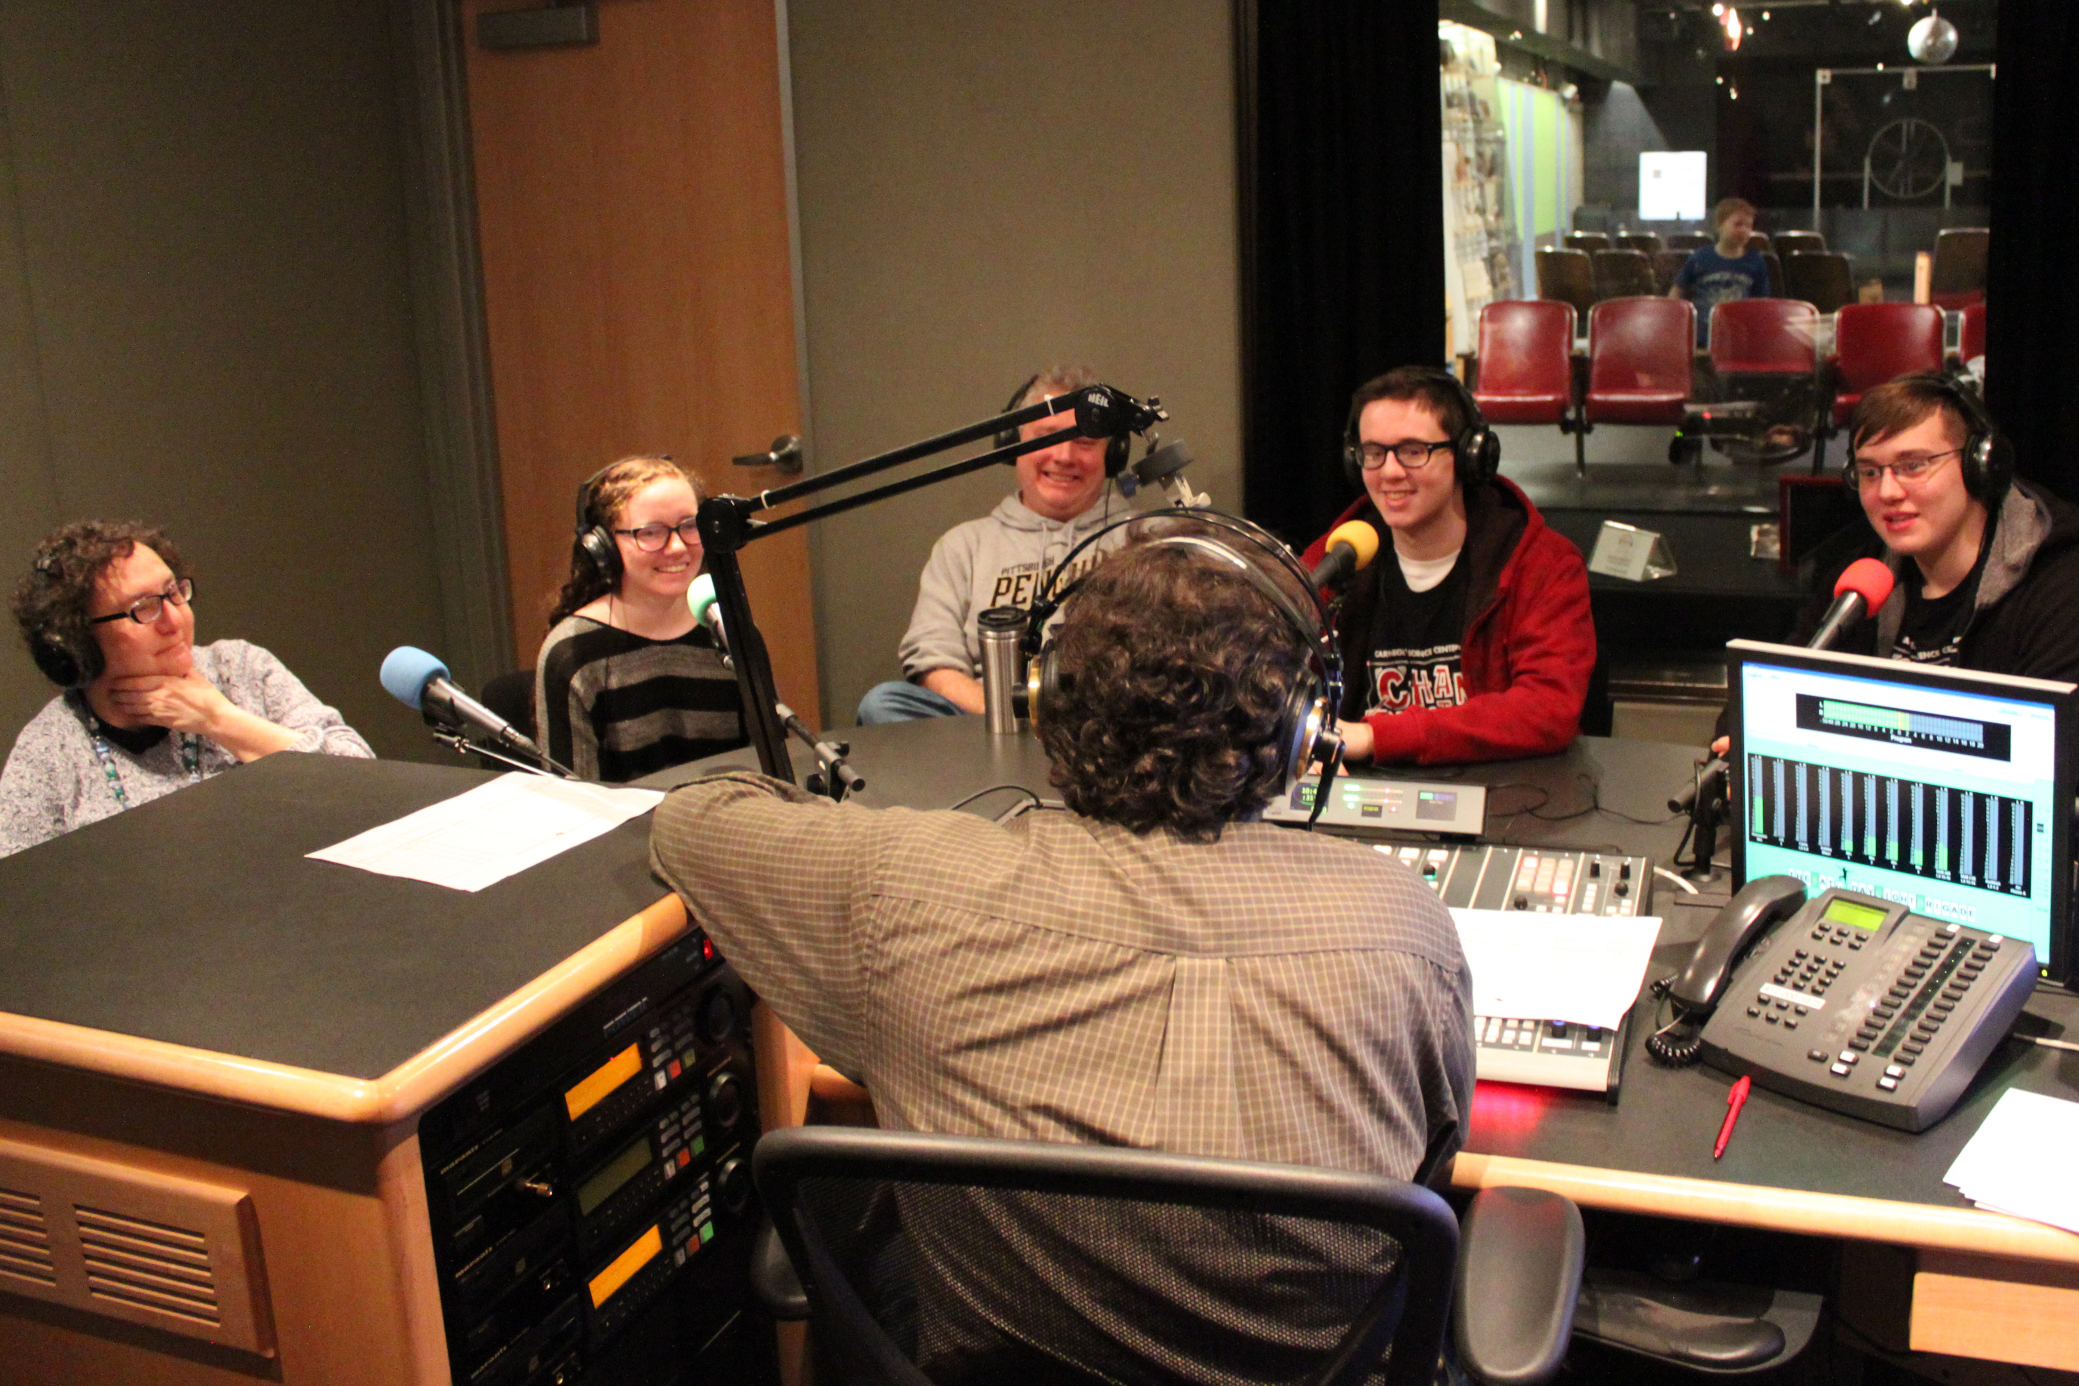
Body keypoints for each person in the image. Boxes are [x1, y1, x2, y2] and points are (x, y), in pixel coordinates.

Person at [652, 526, 1473, 1381]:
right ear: (1304, 732)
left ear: (1041, 703)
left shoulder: (900, 886)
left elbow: (693, 817)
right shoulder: (1405, 930)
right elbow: (1434, 1163)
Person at [1, 520, 373, 857]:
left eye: (174, 593)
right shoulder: (52, 748)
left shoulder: (240, 669)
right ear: (79, 638)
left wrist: (221, 720)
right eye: (143, 608)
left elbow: (366, 787)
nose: (176, 619)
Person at [1301, 366, 1595, 766]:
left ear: (1469, 457)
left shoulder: (1542, 564)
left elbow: (1548, 708)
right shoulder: (1334, 560)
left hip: (1500, 794)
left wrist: (1376, 736)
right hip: (1357, 791)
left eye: (1412, 451)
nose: (1389, 472)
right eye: (1373, 453)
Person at [856, 364, 1132, 723]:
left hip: (1105, 725)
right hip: (984, 725)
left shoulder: (1149, 538)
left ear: (1112, 455)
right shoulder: (963, 546)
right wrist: (1006, 712)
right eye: (1047, 437)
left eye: (1084, 441)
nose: (1064, 456)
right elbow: (933, 662)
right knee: (883, 704)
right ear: (1012, 445)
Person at [1790, 373, 2079, 680]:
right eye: (1870, 472)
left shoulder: (2059, 590)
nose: (1888, 492)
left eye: (1913, 466)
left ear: (1977, 467)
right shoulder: (1857, 585)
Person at [536, 456, 745, 783]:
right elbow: (572, 801)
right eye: (651, 532)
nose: (677, 547)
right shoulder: (572, 653)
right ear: (603, 546)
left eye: (690, 526)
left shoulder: (723, 625)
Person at [1668, 197, 1767, 346]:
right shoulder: (1700, 257)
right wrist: (1675, 324)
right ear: (1720, 224)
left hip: (1739, 338)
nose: (1744, 230)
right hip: (1702, 338)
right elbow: (1677, 290)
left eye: (1749, 226)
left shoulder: (1755, 261)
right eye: (1738, 224)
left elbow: (1762, 303)